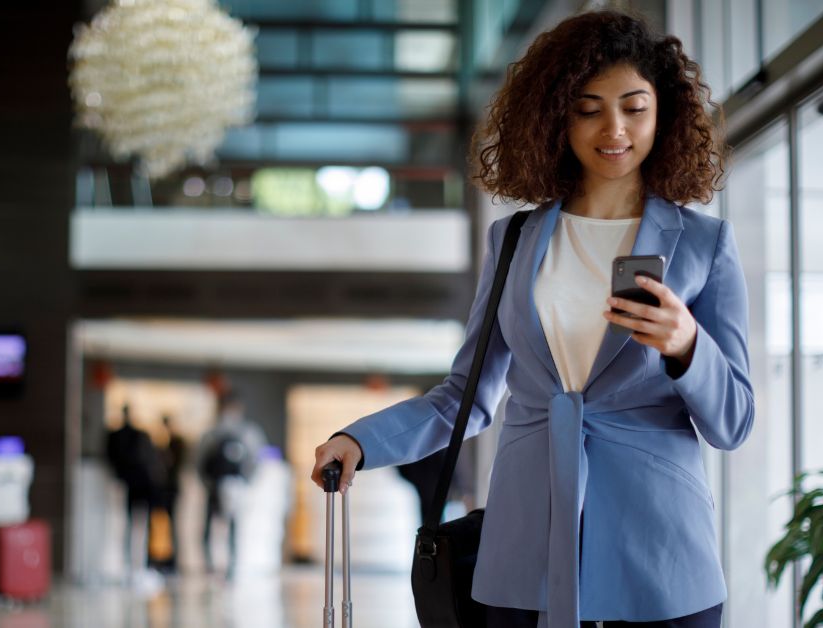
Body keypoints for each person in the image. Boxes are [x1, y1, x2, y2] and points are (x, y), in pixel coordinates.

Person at [312, 10, 751, 628]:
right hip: (526, 552)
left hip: (659, 552)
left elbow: (734, 422)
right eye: (588, 107)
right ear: (556, 117)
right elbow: (465, 397)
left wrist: (685, 344)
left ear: (665, 115)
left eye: (634, 106)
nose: (614, 128)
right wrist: (361, 440)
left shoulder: (704, 245)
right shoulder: (515, 240)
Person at [195, 390, 266, 577]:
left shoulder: (216, 433)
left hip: (225, 487)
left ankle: (222, 566)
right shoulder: (241, 432)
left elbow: (199, 462)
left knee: (226, 528)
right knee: (220, 528)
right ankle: (220, 566)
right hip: (225, 487)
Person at [106, 404, 165, 586]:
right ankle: (135, 564)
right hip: (139, 485)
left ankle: (135, 564)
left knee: (136, 525)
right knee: (136, 525)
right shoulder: (133, 436)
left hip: (136, 486)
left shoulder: (126, 436)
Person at [150, 413, 187, 574]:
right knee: (156, 523)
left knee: (172, 524)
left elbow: (178, 465)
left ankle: (172, 560)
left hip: (171, 488)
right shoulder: (159, 444)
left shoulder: (177, 443)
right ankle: (156, 557)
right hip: (158, 488)